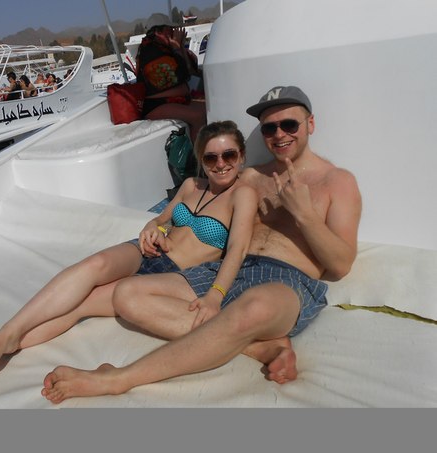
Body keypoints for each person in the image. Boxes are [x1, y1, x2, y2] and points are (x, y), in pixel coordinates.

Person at [40, 85, 363, 404]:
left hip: (286, 281)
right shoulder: (250, 177)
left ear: (310, 124)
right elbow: (203, 200)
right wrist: (159, 226)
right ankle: (258, 347)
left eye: (289, 124)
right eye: (269, 127)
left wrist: (305, 216)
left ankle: (118, 378)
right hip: (227, 270)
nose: (279, 134)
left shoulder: (337, 182)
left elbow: (341, 264)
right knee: (127, 294)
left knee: (254, 307)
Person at [0, 121, 260, 373]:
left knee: (81, 305)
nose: (220, 164)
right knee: (91, 266)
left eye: (228, 154)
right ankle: (8, 333)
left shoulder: (241, 195)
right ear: (202, 159)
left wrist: (215, 295)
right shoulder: (190, 186)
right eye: (211, 157)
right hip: (147, 251)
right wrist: (151, 228)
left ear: (241, 156)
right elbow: (161, 219)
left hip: (172, 272)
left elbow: (238, 249)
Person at [136, 25, 207, 143]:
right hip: (155, 105)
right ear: (159, 32)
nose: (174, 32)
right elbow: (180, 73)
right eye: (170, 30)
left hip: (174, 101)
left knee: (208, 107)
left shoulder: (167, 48)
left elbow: (190, 69)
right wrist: (177, 47)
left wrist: (181, 46)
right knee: (197, 116)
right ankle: (198, 154)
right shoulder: (150, 50)